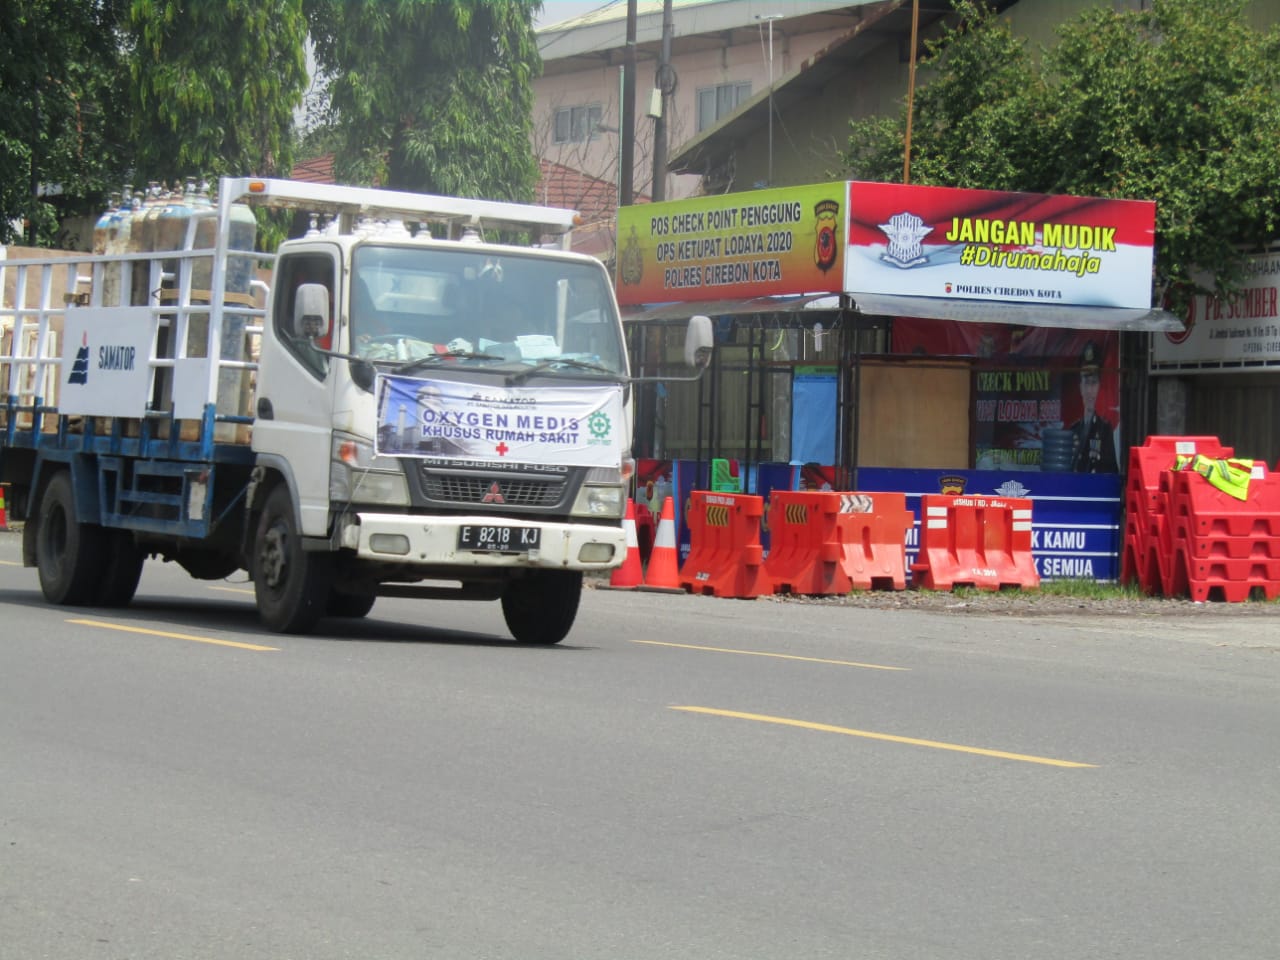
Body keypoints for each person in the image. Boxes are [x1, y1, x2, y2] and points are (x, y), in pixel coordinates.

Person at [1069, 340, 1119, 473]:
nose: (1090, 390)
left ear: (1099, 387)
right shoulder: (1073, 429)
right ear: (1080, 387)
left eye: (1094, 383)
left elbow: (1111, 469)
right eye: (1086, 383)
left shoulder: (1104, 428)